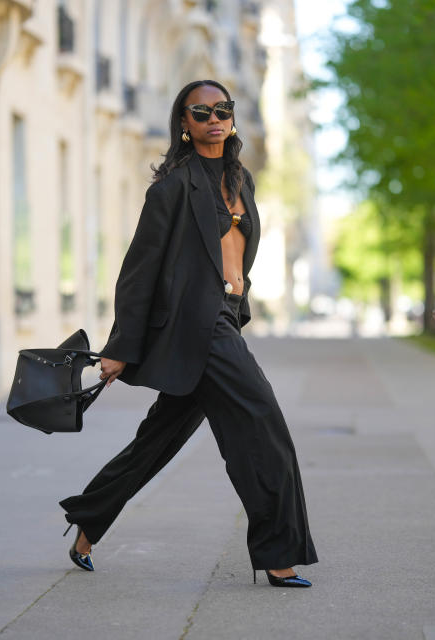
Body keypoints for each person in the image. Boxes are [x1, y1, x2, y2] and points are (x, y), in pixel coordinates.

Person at [58, 80, 318, 588]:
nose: (213, 118)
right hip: (198, 329)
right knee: (265, 429)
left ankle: (88, 521)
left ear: (233, 117)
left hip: (223, 321)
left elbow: (239, 257)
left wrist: (237, 300)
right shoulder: (172, 187)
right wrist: (119, 349)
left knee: (157, 440)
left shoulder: (241, 181)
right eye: (200, 112)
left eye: (222, 109)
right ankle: (278, 555)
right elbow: (139, 271)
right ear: (184, 123)